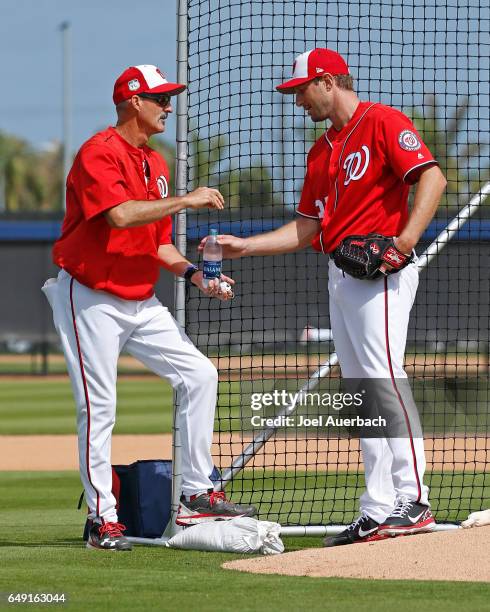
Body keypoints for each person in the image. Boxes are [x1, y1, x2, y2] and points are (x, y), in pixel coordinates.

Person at [199, 48, 447, 546]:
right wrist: (244, 246)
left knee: (384, 380)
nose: (297, 102)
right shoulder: (321, 151)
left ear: (328, 81)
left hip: (381, 272)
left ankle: (415, 500)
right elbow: (308, 228)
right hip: (342, 272)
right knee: (363, 394)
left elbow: (432, 178)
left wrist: (403, 243)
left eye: (300, 91)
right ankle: (377, 508)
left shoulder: (382, 122)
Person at [42, 64, 256, 551]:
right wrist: (187, 200)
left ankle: (196, 492)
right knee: (99, 406)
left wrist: (195, 275)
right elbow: (119, 216)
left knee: (200, 375)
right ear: (133, 101)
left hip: (140, 299)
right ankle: (103, 520)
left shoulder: (156, 163)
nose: (168, 105)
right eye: (160, 98)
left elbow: (156, 244)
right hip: (90, 296)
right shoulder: (99, 153)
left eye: (168, 97)